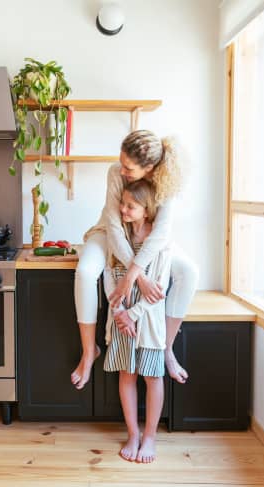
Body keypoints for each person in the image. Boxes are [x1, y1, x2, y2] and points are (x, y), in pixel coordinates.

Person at [71, 129, 198, 390]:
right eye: (122, 163)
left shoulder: (167, 182)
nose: (122, 171)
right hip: (109, 232)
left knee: (189, 272)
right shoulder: (115, 173)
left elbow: (161, 233)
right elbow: (114, 227)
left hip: (149, 240)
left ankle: (166, 349)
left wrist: (132, 275)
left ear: (148, 167)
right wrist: (138, 276)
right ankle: (88, 351)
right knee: (84, 272)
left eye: (128, 168)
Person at [103, 179, 170, 463]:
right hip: (121, 322)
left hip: (148, 322)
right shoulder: (119, 237)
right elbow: (108, 275)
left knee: (152, 377)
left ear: (147, 209)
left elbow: (158, 289)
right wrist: (119, 314)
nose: (123, 209)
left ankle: (150, 436)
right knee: (126, 375)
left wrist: (132, 314)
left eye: (131, 206)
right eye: (123, 203)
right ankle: (133, 433)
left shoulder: (159, 242)